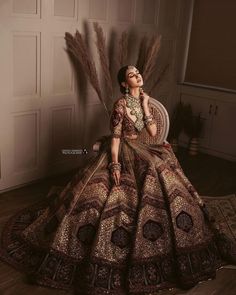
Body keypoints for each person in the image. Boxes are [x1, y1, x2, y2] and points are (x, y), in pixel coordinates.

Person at [0, 65, 236, 294]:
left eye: (138, 72)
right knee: (101, 191)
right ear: (124, 83)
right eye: (132, 74)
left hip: (141, 147)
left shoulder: (143, 101)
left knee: (160, 170)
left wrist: (145, 106)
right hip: (120, 148)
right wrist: (114, 164)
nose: (138, 75)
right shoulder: (120, 105)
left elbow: (152, 133)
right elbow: (114, 137)